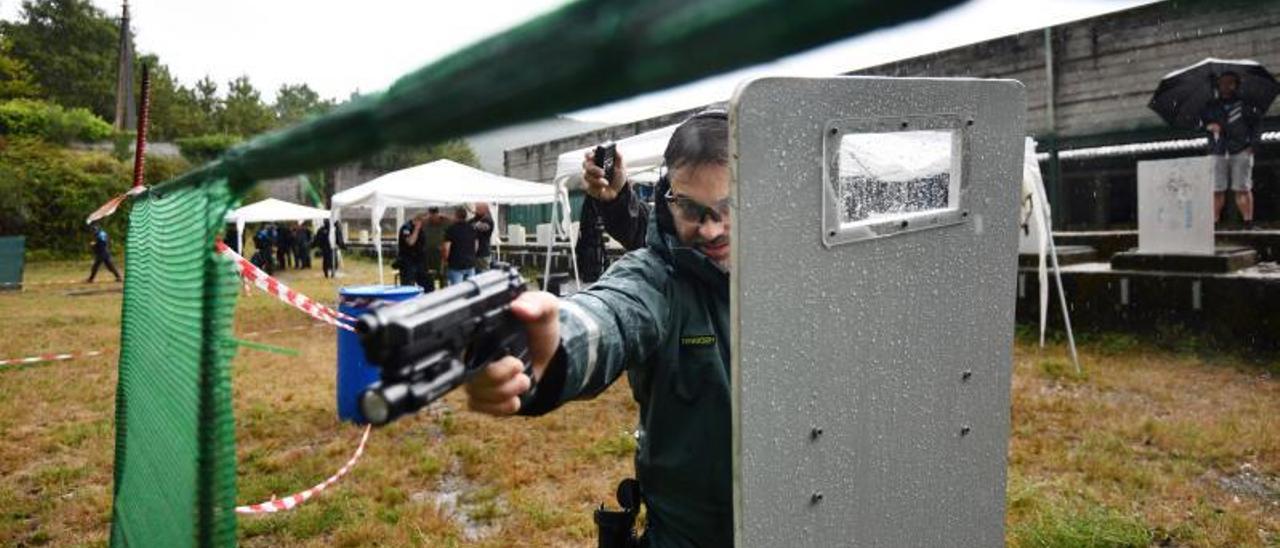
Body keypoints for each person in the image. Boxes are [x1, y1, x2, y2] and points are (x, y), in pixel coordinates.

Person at [465, 110, 733, 546]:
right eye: (689, 207)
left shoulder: (811, 265)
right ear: (669, 196)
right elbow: (609, 314)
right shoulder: (657, 280)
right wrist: (545, 353)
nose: (711, 228)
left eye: (729, 206)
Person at [1201, 71, 1264, 229]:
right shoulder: (1210, 105)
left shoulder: (1246, 104)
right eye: (1223, 82)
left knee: (1242, 188)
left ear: (1236, 84)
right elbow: (1200, 125)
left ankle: (1248, 223)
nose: (1226, 86)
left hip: (1241, 149)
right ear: (1218, 85)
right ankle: (1213, 224)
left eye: (1230, 82)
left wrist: (1253, 146)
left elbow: (1256, 126)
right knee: (1216, 189)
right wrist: (1208, 126)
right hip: (1218, 151)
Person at [442, 207, 478, 285]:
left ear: (456, 216)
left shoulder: (451, 229)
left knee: (457, 291)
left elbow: (446, 248)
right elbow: (476, 245)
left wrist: (445, 261)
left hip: (456, 265)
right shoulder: (472, 228)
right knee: (471, 288)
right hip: (470, 263)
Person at [419, 207, 450, 292]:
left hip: (442, 256)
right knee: (428, 276)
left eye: (435, 215)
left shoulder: (447, 222)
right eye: (431, 215)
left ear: (438, 213)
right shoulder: (424, 223)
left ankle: (444, 294)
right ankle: (430, 293)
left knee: (443, 277)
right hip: (428, 255)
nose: (433, 217)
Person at [396, 212, 428, 290]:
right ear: (419, 220)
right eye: (424, 222)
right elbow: (410, 242)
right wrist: (416, 229)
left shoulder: (421, 229)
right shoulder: (406, 227)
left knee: (425, 286)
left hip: (419, 262)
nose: (425, 224)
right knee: (408, 287)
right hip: (408, 262)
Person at [470, 202, 495, 272]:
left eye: (478, 208)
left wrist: (473, 226)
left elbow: (478, 226)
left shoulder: (488, 219)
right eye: (476, 207)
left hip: (483, 254)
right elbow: (467, 224)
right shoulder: (476, 218)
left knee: (484, 277)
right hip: (474, 254)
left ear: (485, 208)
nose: (476, 209)